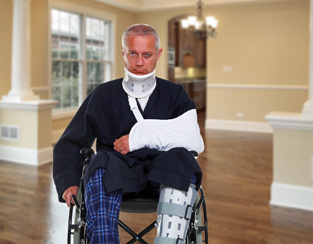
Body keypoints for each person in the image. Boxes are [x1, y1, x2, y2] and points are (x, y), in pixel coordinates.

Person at [53, 24, 204, 244]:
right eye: (133, 53)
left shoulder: (176, 94)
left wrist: (139, 136)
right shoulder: (103, 94)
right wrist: (68, 181)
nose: (140, 62)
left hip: (163, 175)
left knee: (181, 157)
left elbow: (193, 140)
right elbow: (72, 140)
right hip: (115, 176)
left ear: (158, 54)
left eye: (147, 55)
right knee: (100, 161)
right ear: (123, 52)